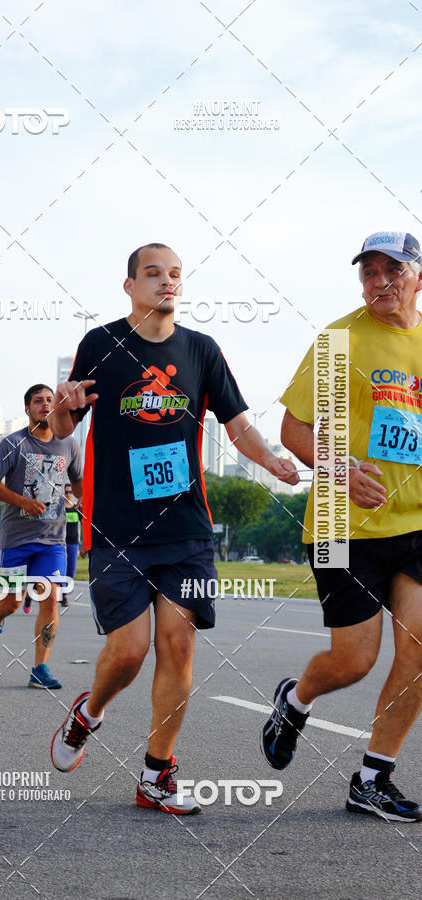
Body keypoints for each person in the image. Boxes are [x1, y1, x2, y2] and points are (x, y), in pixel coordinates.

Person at [49, 243, 298, 814]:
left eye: (176, 274)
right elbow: (65, 423)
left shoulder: (201, 350)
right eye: (153, 273)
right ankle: (90, 712)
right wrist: (62, 406)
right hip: (116, 527)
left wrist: (274, 461)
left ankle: (156, 773)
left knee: (178, 646)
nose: (167, 281)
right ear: (130, 284)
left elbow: (238, 426)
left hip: (185, 527)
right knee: (131, 651)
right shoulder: (100, 345)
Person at [261, 231, 422, 823]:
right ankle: (295, 700)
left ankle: (372, 779)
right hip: (341, 519)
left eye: (393, 270)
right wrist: (340, 471)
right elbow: (294, 430)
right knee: (355, 660)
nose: (380, 281)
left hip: (416, 521)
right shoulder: (340, 341)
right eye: (369, 272)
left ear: (418, 277)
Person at [0, 384, 82, 689]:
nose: (45, 405)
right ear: (27, 408)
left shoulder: (69, 445)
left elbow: (79, 481)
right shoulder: (14, 443)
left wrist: (78, 500)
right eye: (38, 401)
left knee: (49, 597)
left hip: (53, 540)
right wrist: (23, 501)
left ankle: (40, 668)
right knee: (10, 604)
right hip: (17, 539)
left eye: (50, 400)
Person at [62, 483, 85, 608]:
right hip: (60, 543)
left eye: (70, 492)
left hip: (74, 543)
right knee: (60, 569)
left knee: (71, 571)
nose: (68, 494)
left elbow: (85, 525)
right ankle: (62, 596)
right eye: (66, 492)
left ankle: (63, 593)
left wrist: (84, 545)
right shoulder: (59, 509)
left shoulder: (77, 509)